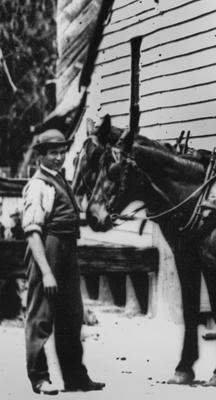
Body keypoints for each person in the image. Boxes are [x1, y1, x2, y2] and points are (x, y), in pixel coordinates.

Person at [21, 129, 105, 395]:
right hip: (47, 252)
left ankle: (76, 378)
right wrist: (46, 272)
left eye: (61, 152)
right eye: (53, 153)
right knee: (40, 318)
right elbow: (33, 232)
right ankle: (39, 378)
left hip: (68, 252)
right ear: (41, 156)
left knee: (72, 317)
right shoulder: (38, 185)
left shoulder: (61, 181)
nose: (58, 158)